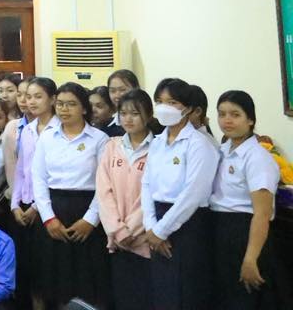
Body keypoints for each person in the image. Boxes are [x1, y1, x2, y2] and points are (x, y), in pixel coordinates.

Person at [30, 82, 110, 309]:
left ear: (84, 108)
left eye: (71, 104)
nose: (64, 109)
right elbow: (39, 179)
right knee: (53, 280)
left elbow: (104, 184)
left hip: (87, 211)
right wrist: (48, 218)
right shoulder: (47, 137)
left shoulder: (99, 139)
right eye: (60, 104)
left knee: (86, 279)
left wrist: (90, 220)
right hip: (53, 211)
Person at [141, 77, 217, 308]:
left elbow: (193, 193)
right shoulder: (158, 142)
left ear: (188, 108)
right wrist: (151, 226)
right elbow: (146, 184)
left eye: (172, 102)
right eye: (160, 101)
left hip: (188, 224)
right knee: (163, 291)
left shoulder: (199, 144)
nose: (164, 107)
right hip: (158, 220)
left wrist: (162, 230)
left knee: (186, 292)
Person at [210, 89, 280, 309]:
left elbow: (262, 213)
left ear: (250, 120)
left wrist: (251, 258)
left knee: (244, 300)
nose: (227, 120)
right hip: (219, 230)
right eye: (222, 114)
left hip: (245, 234)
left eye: (235, 114)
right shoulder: (221, 150)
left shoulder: (258, 158)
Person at [96, 87, 155, 310]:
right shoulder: (112, 146)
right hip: (117, 240)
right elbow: (104, 192)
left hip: (145, 239)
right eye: (123, 113)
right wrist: (117, 230)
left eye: (135, 113)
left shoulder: (159, 148)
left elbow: (154, 195)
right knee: (122, 299)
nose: (128, 119)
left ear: (148, 115)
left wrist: (131, 229)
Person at [7, 75, 54, 308]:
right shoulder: (27, 130)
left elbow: (52, 175)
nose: (31, 101)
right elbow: (21, 170)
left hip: (48, 208)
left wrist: (37, 207)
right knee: (27, 268)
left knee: (47, 270)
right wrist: (15, 204)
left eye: (38, 97)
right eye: (28, 96)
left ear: (52, 99)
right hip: (24, 205)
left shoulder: (58, 130)